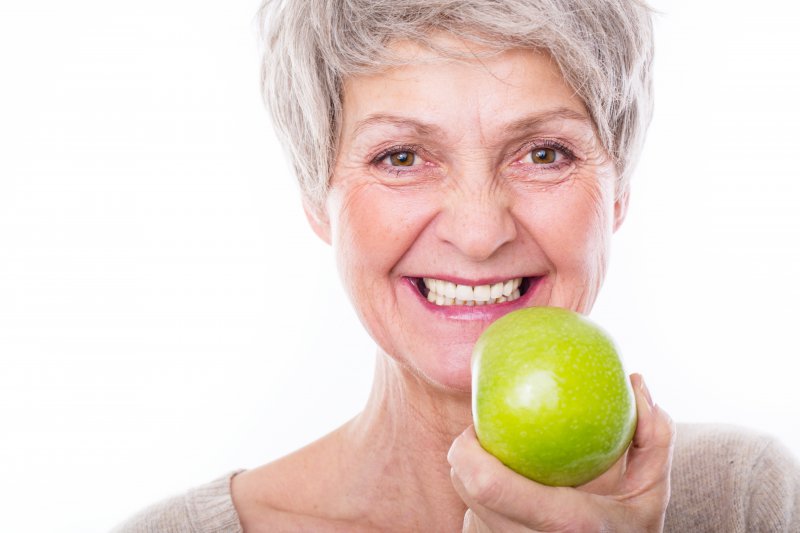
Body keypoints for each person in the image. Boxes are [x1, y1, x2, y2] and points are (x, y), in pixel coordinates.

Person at [114, 0, 800, 531]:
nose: (478, 233)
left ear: (618, 187)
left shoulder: (741, 499)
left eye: (543, 153)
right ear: (315, 197)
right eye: (402, 157)